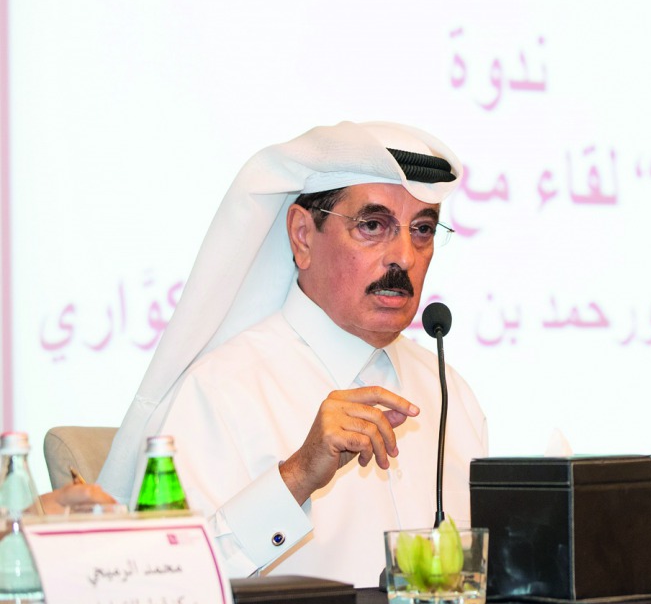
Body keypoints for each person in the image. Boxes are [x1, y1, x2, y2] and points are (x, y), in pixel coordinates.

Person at [98, 122, 488, 587]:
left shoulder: (449, 393)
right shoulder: (219, 392)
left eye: (422, 229)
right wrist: (298, 474)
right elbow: (162, 586)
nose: (404, 256)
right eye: (373, 225)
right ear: (303, 236)